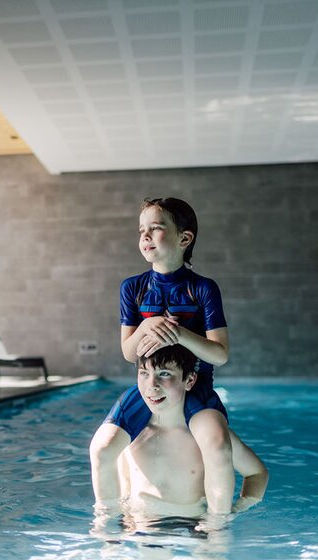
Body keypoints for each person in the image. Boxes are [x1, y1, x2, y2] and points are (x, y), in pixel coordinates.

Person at [90, 197, 239, 514]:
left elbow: (220, 354)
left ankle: (218, 526)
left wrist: (181, 334)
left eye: (155, 228)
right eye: (141, 229)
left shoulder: (203, 289)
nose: (144, 236)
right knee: (102, 449)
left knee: (217, 446)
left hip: (193, 389)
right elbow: (129, 353)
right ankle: (107, 522)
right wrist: (147, 327)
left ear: (184, 239)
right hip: (149, 389)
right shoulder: (132, 288)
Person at [99, 345, 268, 521]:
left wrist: (235, 511)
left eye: (164, 374)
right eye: (144, 373)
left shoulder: (205, 438)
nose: (152, 386)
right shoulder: (129, 434)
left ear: (189, 381)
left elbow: (257, 473)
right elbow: (122, 486)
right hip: (143, 529)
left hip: (193, 527)